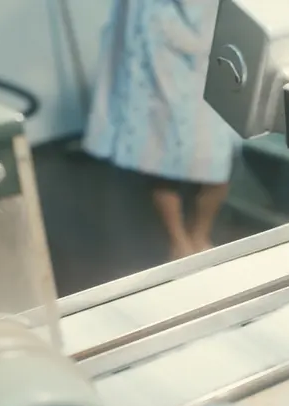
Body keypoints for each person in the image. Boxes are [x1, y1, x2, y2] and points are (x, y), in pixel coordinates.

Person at [83, 0, 238, 261]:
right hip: (157, 45)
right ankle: (178, 242)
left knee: (217, 155)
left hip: (209, 33)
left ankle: (199, 235)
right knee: (159, 148)